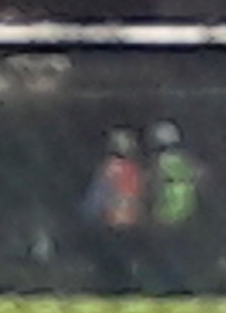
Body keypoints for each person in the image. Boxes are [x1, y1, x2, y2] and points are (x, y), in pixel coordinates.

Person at [81, 130, 145, 294]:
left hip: (111, 219)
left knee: (109, 259)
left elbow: (99, 194)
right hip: (131, 219)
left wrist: (90, 214)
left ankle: (110, 287)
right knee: (127, 258)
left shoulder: (109, 168)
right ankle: (127, 286)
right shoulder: (134, 170)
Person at [147, 121, 203, 294]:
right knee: (181, 248)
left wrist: (153, 206)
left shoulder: (161, 161)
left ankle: (170, 283)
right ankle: (180, 281)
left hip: (168, 205)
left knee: (165, 248)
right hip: (187, 203)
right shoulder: (185, 159)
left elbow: (155, 184)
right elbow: (199, 175)